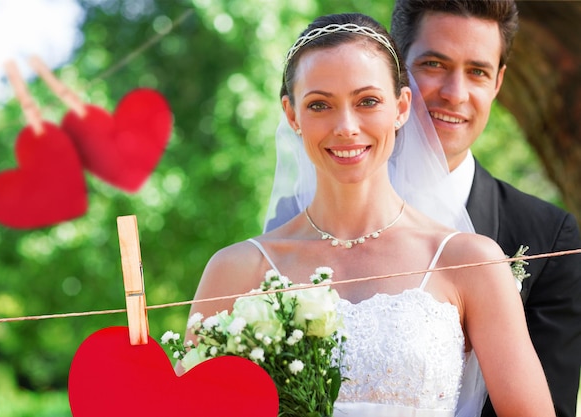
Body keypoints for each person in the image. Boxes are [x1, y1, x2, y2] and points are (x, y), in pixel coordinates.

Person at [185, 12, 555, 417]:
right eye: (320, 104)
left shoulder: (471, 262)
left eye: (367, 101)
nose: (346, 126)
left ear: (401, 107)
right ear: (292, 115)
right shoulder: (236, 270)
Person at [389, 1, 581, 416]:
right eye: (435, 64)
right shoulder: (314, 214)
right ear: (396, 68)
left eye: (477, 71)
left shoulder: (548, 237)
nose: (455, 94)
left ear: (498, 83)